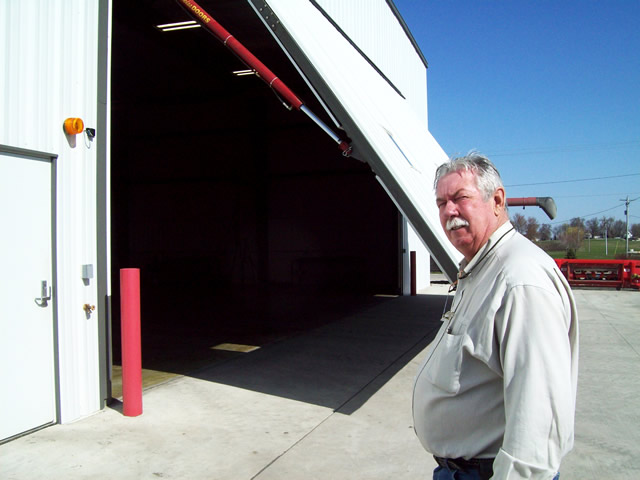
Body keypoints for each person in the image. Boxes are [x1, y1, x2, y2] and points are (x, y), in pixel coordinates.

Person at [412, 152, 579, 480]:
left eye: (460, 198)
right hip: (460, 470)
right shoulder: (481, 267)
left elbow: (538, 424)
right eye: (441, 202)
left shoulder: (520, 279)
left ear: (497, 200)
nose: (449, 211)